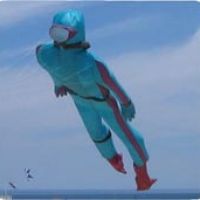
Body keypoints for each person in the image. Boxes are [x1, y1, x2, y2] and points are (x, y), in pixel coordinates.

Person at [36, 9, 156, 190]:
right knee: (97, 135)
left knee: (128, 135)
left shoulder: (84, 61)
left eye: (61, 33)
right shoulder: (51, 55)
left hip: (103, 103)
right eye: (55, 33)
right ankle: (117, 162)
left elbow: (113, 85)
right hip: (83, 102)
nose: (58, 38)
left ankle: (142, 175)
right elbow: (52, 69)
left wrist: (126, 103)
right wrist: (58, 82)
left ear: (75, 34)